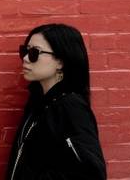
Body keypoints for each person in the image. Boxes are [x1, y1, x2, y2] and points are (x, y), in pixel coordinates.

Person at [6, 24, 106, 180]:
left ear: (60, 61)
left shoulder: (70, 107)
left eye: (34, 53)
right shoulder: (39, 104)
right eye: (25, 51)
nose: (25, 58)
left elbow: (91, 174)